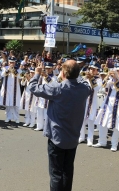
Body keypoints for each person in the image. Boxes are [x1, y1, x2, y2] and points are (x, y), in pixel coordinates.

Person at [29, 60, 92, 191]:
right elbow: (87, 84)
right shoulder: (83, 89)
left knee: (56, 174)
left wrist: (37, 74)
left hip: (57, 137)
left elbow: (33, 87)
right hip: (73, 137)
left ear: (63, 73)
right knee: (67, 172)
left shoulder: (58, 88)